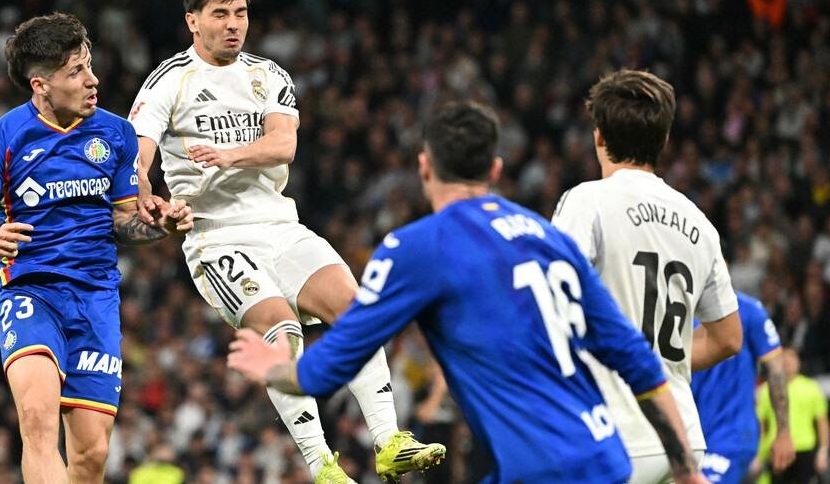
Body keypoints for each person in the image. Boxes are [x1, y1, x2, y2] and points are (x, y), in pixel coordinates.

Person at [226, 100, 709, 484]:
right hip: (606, 458)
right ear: (496, 169)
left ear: (424, 167)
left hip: (542, 468)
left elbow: (334, 362)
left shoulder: (417, 247)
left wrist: (276, 370)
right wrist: (686, 469)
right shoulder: (548, 238)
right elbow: (638, 359)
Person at [129, 0, 442, 483]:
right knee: (282, 329)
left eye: (241, 14)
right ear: (192, 21)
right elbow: (137, 160)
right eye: (220, 15)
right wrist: (152, 202)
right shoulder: (169, 81)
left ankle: (389, 442)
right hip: (215, 235)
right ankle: (322, 466)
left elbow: (284, 145)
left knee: (358, 312)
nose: (234, 26)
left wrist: (228, 156)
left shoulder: (267, 74)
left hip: (279, 223)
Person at [0, 12, 193, 484]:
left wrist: (161, 226)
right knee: (39, 422)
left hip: (95, 300)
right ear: (40, 85)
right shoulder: (2, 137)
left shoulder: (116, 134)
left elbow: (125, 221)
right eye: (76, 72)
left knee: (91, 454)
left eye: (89, 65)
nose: (92, 80)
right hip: (32, 292)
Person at [551, 69, 742, 484]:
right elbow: (728, 337)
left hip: (613, 436)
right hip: (682, 438)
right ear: (665, 140)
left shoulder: (587, 202)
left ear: (599, 137)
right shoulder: (699, 222)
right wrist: (657, 359)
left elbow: (553, 303)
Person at [691, 292, 794, 483]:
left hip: (731, 436)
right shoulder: (676, 310)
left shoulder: (747, 310)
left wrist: (783, 431)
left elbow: (776, 369)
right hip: (689, 437)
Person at [757, 348, 828, 484]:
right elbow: (761, 425)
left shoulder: (811, 388)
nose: (788, 362)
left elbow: (822, 422)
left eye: (791, 358)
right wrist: (758, 455)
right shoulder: (765, 390)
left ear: (798, 362)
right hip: (776, 449)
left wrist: (823, 450)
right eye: (784, 358)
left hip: (804, 448)